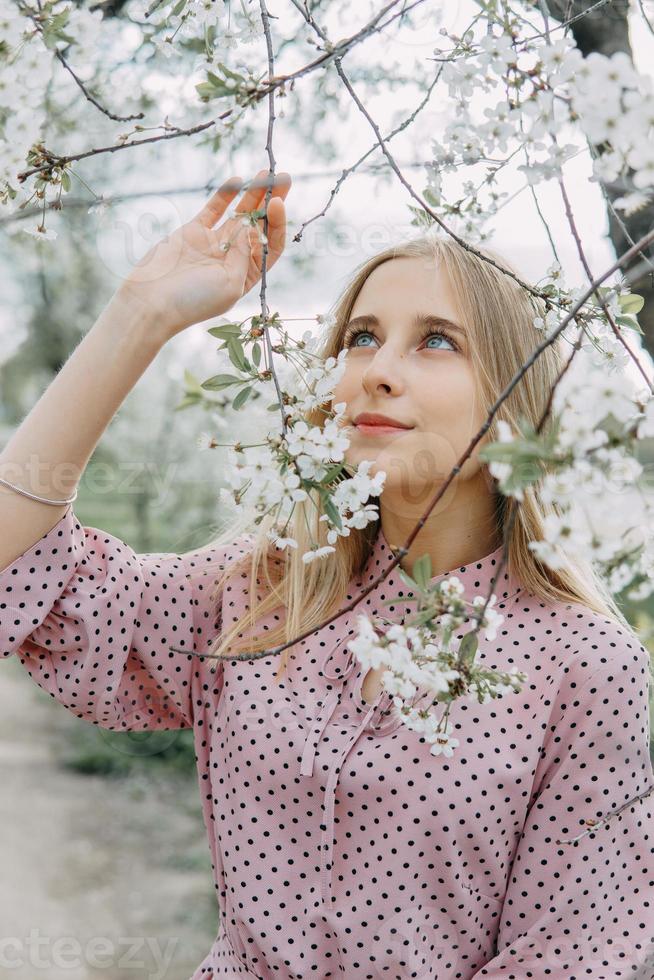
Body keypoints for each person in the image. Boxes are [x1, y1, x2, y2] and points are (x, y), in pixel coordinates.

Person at [1, 168, 652, 980]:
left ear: (517, 407)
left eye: (437, 340)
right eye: (360, 337)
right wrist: (142, 316)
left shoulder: (584, 667)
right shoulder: (260, 592)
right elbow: (25, 575)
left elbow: (576, 956)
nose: (377, 369)